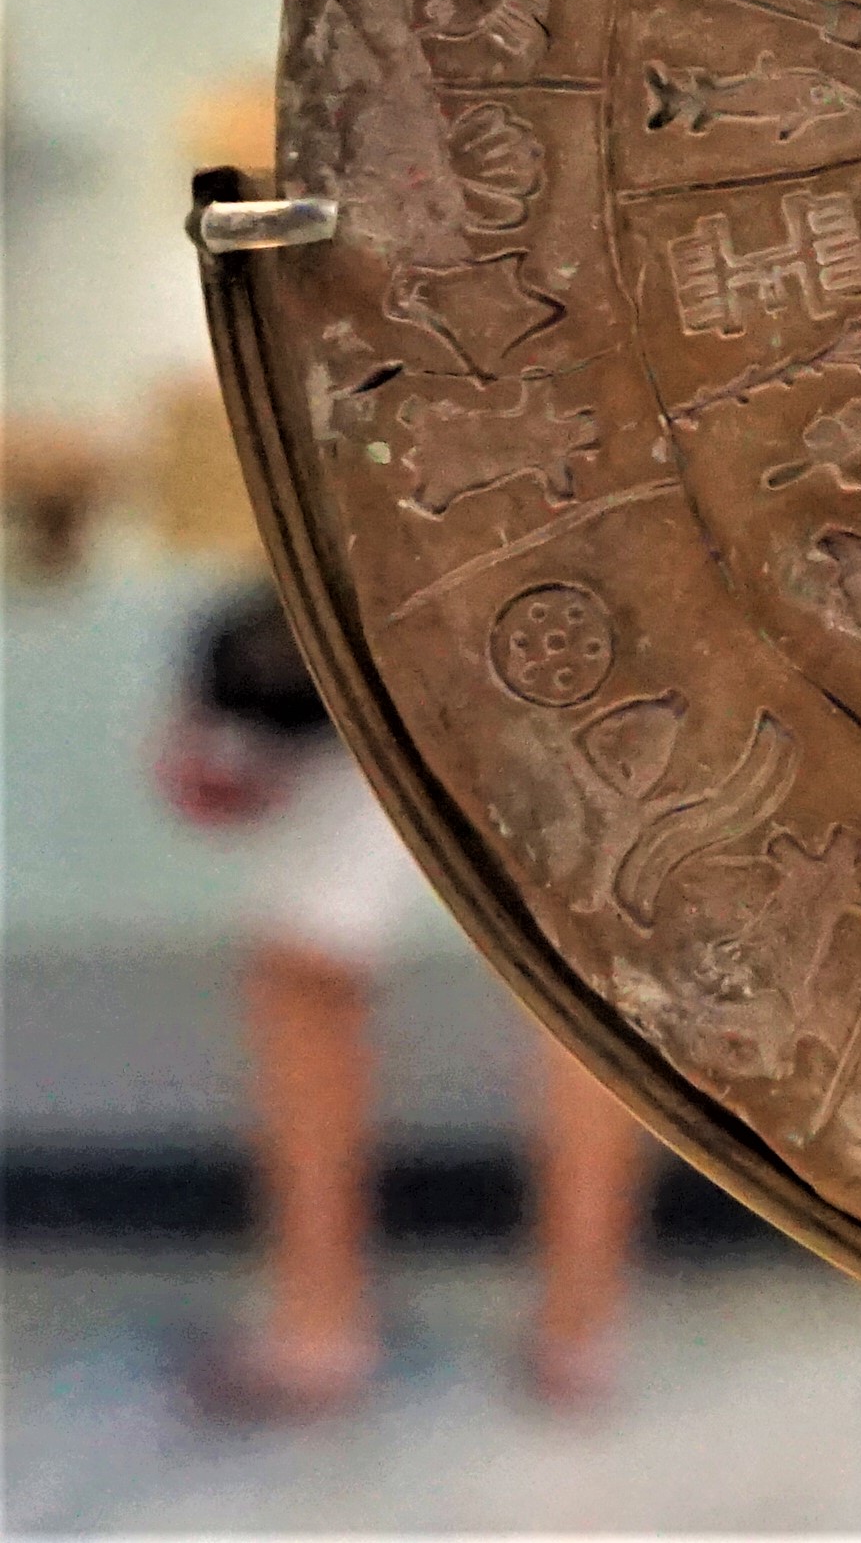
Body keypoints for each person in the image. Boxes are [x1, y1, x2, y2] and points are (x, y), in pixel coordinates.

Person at [153, 79, 655, 1422]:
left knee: (579, 997)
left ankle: (512, 1320)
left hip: (509, 632)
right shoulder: (471, 198)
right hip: (459, 636)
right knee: (525, 987)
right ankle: (527, 1323)